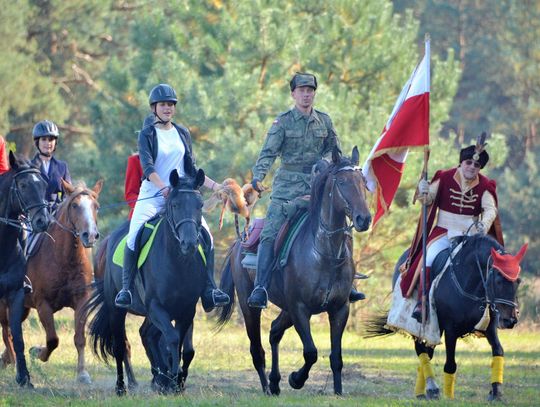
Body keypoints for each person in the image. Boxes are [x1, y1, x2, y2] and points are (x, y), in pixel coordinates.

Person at [247, 72, 366, 309]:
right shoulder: (282, 123)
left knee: (341, 226)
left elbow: (336, 153)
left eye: (310, 90)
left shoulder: (324, 121)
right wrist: (257, 177)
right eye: (301, 90)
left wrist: (343, 168)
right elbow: (268, 153)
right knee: (270, 231)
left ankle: (348, 283)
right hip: (287, 188)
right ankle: (260, 287)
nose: (306, 94)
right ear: (293, 94)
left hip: (318, 186)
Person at [114, 84, 230, 310]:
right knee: (134, 234)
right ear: (154, 108)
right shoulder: (148, 133)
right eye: (163, 104)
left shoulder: (182, 132)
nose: (167, 108)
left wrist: (216, 186)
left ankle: (210, 289)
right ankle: (127, 289)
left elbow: (191, 167)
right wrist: (163, 188)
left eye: (170, 104)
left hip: (181, 194)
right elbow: (147, 166)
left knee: (207, 236)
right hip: (153, 194)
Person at [400, 135, 504, 322]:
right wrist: (423, 190)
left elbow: (491, 209)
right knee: (429, 258)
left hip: (470, 235)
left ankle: (489, 308)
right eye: (469, 162)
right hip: (443, 231)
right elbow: (428, 200)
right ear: (461, 162)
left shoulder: (485, 185)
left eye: (477, 165)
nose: (472, 167)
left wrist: (484, 224)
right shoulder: (444, 177)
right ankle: (422, 302)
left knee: (488, 265)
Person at [31, 120, 71, 210]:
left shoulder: (62, 167)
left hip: (56, 214)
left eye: (51, 139)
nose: (48, 143)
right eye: (44, 139)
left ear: (55, 142)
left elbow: (69, 194)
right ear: (37, 142)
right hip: (35, 216)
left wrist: (60, 206)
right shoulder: (29, 167)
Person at [124, 115, 153, 219]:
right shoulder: (135, 161)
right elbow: (130, 194)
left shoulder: (173, 157)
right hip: (143, 212)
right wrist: (146, 206)